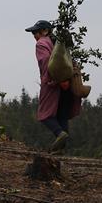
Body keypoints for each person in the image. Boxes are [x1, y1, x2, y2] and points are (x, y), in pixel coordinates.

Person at [25, 20, 82, 153]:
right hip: (67, 84)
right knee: (62, 114)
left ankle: (59, 134)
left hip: (53, 84)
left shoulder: (41, 44)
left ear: (45, 31)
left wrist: (50, 81)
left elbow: (45, 62)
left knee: (44, 115)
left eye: (36, 32)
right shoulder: (58, 42)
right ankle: (61, 149)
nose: (34, 35)